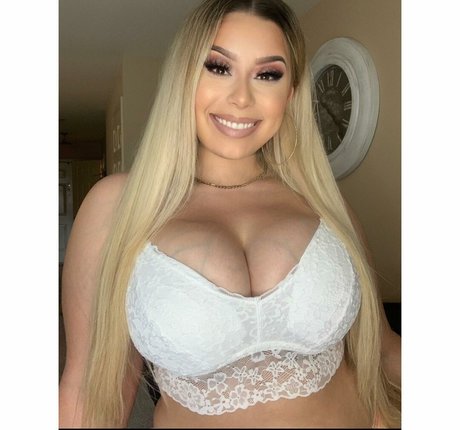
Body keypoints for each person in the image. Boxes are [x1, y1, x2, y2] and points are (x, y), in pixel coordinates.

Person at [59, 0, 401, 427]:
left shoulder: (323, 204)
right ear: (185, 77)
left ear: (291, 93)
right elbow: (89, 391)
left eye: (268, 74)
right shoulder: (118, 206)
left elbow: (384, 351)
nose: (241, 98)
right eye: (219, 67)